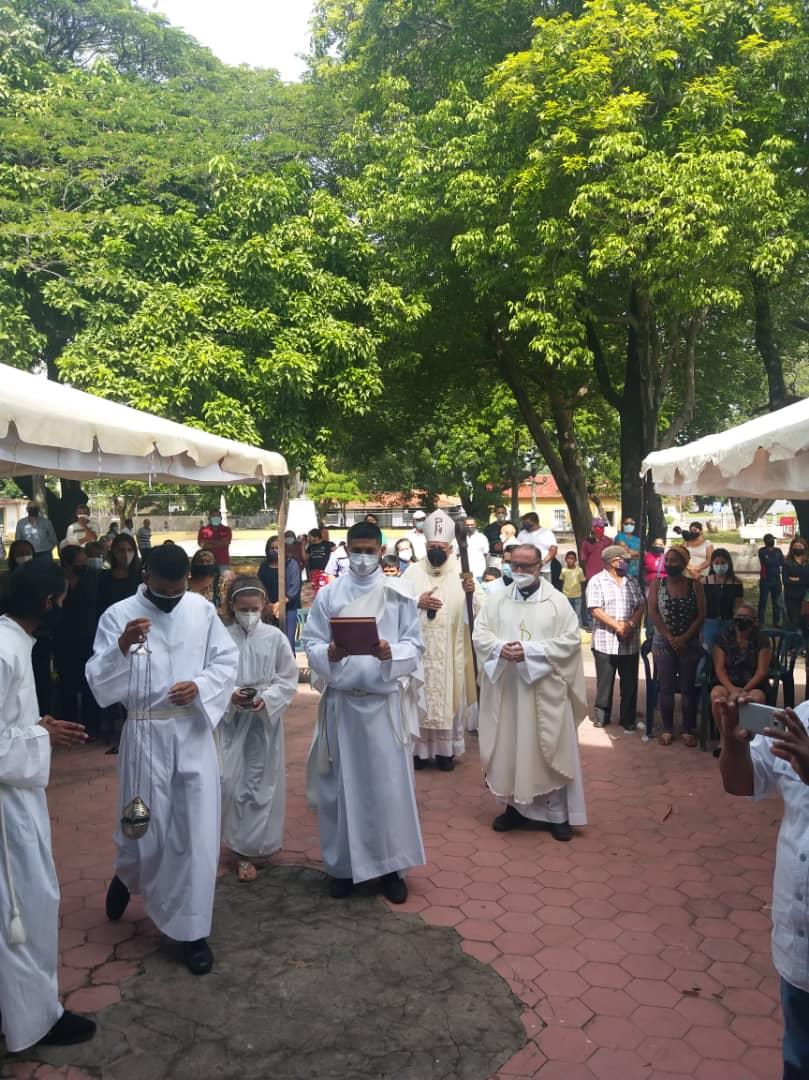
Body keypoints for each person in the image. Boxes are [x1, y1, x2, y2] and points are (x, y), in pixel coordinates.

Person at [86, 543, 238, 975]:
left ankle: (191, 931)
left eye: (178, 590)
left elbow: (226, 660)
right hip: (146, 731)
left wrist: (201, 686)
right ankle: (128, 873)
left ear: (187, 581)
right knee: (145, 826)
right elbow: (100, 685)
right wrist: (120, 648)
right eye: (162, 591)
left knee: (196, 831)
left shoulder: (200, 610)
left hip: (191, 730)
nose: (171, 599)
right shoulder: (118, 615)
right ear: (145, 576)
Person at [302, 521, 425, 903]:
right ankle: (341, 868)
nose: (362, 556)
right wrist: (329, 654)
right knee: (339, 790)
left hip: (383, 704)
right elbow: (312, 641)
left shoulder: (398, 593)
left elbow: (415, 645)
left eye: (370, 549)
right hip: (343, 706)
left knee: (387, 790)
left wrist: (393, 652)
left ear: (381, 549)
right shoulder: (330, 594)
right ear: (347, 547)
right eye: (356, 548)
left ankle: (390, 867)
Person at [0, 560, 96, 1051]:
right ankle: (31, 1021)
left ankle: (30, 1012)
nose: (65, 606)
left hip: (20, 799)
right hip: (6, 810)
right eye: (62, 598)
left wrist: (36, 724)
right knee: (24, 910)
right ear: (47, 604)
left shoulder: (16, 642)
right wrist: (42, 734)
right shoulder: (3, 650)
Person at [716, 696, 809, 1080]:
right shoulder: (800, 718)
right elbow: (741, 782)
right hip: (799, 934)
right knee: (799, 1056)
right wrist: (733, 743)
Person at [473, 543, 587, 840]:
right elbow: (480, 634)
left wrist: (529, 651)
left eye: (527, 566)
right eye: (515, 565)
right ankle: (514, 809)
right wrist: (500, 649)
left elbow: (570, 642)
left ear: (540, 567)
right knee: (510, 746)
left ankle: (556, 815)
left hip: (545, 690)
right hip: (508, 689)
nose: (520, 571)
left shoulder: (557, 603)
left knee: (547, 746)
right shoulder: (496, 600)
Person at [219, 577, 298, 883]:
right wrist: (232, 694)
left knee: (260, 782)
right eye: (243, 609)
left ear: (264, 607)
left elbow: (288, 678)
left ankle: (250, 849)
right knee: (232, 781)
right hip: (233, 722)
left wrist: (266, 699)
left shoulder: (275, 638)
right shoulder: (223, 638)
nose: (249, 615)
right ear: (232, 608)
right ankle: (236, 843)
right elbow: (214, 676)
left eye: (254, 609)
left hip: (264, 723)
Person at [398, 509, 479, 770]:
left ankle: (446, 753)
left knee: (448, 700)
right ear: (425, 544)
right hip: (418, 653)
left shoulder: (462, 572)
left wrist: (473, 593)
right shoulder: (411, 572)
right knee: (417, 699)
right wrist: (416, 601)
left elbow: (477, 611)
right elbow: (395, 606)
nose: (435, 549)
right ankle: (418, 753)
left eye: (440, 546)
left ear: (450, 546)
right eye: (431, 545)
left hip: (450, 654)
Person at [647, 545, 705, 746]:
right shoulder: (657, 584)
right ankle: (668, 729)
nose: (670, 564)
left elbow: (701, 615)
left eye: (675, 560)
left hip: (689, 642)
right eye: (668, 560)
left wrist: (685, 637)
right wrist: (670, 637)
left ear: (684, 562)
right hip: (663, 641)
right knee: (666, 687)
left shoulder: (695, 585)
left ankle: (688, 729)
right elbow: (653, 612)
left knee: (688, 687)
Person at [586, 546, 645, 732]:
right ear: (613, 561)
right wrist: (617, 626)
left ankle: (628, 718)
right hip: (606, 640)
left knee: (629, 682)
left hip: (630, 641)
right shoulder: (597, 581)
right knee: (605, 681)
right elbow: (595, 609)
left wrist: (629, 625)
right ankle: (602, 715)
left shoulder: (632, 581)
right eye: (624, 560)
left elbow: (640, 606)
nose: (627, 563)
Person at [51, 545, 101, 740]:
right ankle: (70, 728)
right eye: (78, 565)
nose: (83, 568)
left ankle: (92, 727)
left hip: (88, 638)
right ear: (66, 565)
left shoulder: (92, 579)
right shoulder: (56, 582)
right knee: (67, 685)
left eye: (84, 564)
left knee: (90, 683)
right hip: (63, 639)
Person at [710, 604, 771, 751]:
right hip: (728, 682)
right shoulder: (724, 636)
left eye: (746, 618)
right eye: (739, 617)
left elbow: (761, 671)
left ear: (755, 621)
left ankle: (749, 740)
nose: (742, 621)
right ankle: (725, 739)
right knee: (717, 695)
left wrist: (744, 689)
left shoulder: (761, 639)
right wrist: (732, 690)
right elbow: (719, 669)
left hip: (753, 683)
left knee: (757, 698)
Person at [258, 535, 302, 653]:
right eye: (272, 548)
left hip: (289, 608)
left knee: (287, 643)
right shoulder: (264, 566)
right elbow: (260, 585)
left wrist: (278, 605)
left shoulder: (291, 564)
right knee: (269, 643)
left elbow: (294, 589)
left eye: (277, 548)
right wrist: (268, 605)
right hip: (268, 608)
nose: (274, 550)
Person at [702, 548, 744, 650]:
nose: (720, 566)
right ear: (712, 564)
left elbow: (738, 607)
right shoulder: (704, 582)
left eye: (723, 562)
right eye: (717, 563)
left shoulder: (736, 582)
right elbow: (700, 606)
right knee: (709, 652)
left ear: (728, 563)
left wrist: (737, 628)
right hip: (709, 622)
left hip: (728, 622)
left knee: (726, 652)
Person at [97, 534, 141, 615]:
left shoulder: (141, 577)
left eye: (130, 550)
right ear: (114, 551)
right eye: (121, 550)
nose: (126, 554)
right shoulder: (104, 577)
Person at [516, 513, 558, 579]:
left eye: (526, 522)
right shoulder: (522, 533)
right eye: (523, 522)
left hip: (543, 571)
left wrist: (542, 562)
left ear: (534, 521)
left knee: (544, 589)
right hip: (525, 571)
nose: (524, 524)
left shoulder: (547, 533)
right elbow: (517, 549)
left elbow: (553, 551)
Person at [782, 537, 809, 635]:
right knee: (794, 623)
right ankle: (794, 647)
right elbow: (786, 582)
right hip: (791, 598)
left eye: (800, 546)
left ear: (804, 548)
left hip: (806, 599)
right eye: (796, 546)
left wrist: (797, 579)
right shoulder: (787, 563)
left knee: (805, 624)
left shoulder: (807, 563)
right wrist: (803, 580)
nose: (798, 548)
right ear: (792, 548)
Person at [758, 533, 784, 627]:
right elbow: (768, 562)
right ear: (766, 541)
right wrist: (775, 561)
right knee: (763, 601)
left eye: (773, 539)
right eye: (770, 540)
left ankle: (777, 622)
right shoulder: (762, 551)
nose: (772, 541)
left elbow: (781, 562)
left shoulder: (778, 550)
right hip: (765, 580)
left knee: (777, 602)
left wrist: (775, 562)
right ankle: (761, 622)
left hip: (776, 580)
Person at [560, 551, 586, 625]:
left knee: (577, 614)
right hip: (566, 596)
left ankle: (579, 629)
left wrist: (582, 594)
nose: (570, 560)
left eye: (572, 558)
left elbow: (582, 582)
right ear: (565, 559)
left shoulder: (579, 570)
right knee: (568, 614)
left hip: (577, 596)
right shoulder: (563, 570)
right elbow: (562, 582)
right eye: (568, 558)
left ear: (575, 560)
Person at [306, 528, 333, 597]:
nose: (308, 538)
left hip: (324, 571)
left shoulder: (327, 544)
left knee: (324, 589)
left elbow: (336, 552)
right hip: (313, 571)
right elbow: (306, 557)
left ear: (316, 537)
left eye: (310, 536)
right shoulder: (310, 546)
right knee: (316, 589)